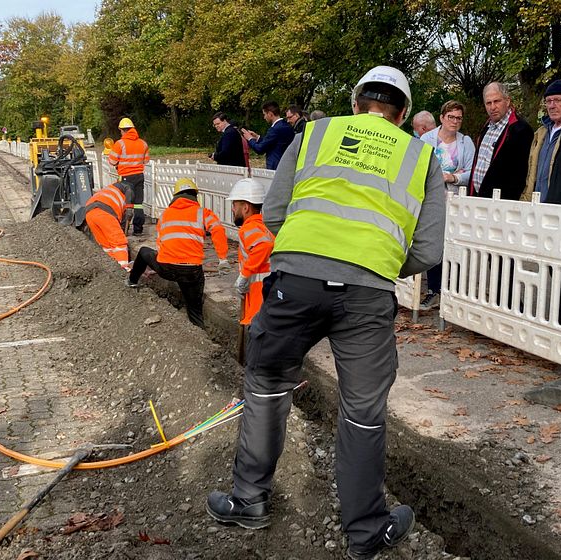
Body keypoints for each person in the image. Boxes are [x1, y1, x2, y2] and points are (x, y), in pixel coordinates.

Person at [206, 65, 446, 560]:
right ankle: (364, 534)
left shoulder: (314, 134)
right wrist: (374, 259)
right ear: (402, 115)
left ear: (356, 103)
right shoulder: (421, 157)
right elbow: (427, 248)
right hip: (367, 296)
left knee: (267, 382)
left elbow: (273, 212)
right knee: (362, 412)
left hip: (295, 284)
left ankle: (249, 500)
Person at [127, 178, 230, 328]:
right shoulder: (203, 213)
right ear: (195, 196)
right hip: (191, 270)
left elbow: (161, 243)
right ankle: (199, 333)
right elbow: (218, 231)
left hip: (166, 267)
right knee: (194, 308)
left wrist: (158, 264)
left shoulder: (165, 215)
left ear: (175, 197)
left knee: (143, 252)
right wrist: (223, 259)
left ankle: (132, 282)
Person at [418, 100, 475, 311]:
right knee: (433, 244)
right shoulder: (427, 140)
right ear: (442, 118)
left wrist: (451, 177)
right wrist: (436, 177)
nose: (455, 121)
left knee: (452, 245)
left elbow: (471, 172)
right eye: (451, 117)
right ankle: (433, 290)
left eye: (458, 118)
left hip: (454, 202)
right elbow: (419, 167)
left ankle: (451, 292)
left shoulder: (465, 142)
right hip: (430, 199)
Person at [469, 82, 533, 200]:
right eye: (488, 103)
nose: (492, 107)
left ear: (507, 101)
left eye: (497, 101)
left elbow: (520, 175)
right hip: (479, 201)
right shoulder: (486, 127)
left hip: (501, 206)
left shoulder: (521, 130)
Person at [227, 178, 274, 325]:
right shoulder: (264, 226)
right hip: (265, 293)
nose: (233, 209)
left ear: (245, 207)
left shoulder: (250, 228)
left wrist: (244, 275)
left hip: (259, 296)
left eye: (234, 205)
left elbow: (263, 246)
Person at [108, 118, 150, 236]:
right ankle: (138, 229)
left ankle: (123, 229)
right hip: (139, 176)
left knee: (125, 204)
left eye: (120, 130)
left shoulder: (119, 144)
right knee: (138, 204)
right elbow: (146, 161)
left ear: (122, 130)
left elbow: (112, 161)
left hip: (125, 178)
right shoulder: (143, 143)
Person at [84, 181, 134, 271]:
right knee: (119, 242)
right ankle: (123, 269)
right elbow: (122, 221)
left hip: (89, 214)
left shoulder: (109, 190)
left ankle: (111, 269)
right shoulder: (124, 194)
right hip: (104, 212)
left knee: (106, 245)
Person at [241, 101, 294, 170]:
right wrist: (257, 137)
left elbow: (260, 149)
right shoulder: (286, 126)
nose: (264, 117)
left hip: (275, 166)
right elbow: (273, 143)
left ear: (270, 114)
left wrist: (250, 139)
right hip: (286, 164)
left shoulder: (274, 129)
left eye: (264, 114)